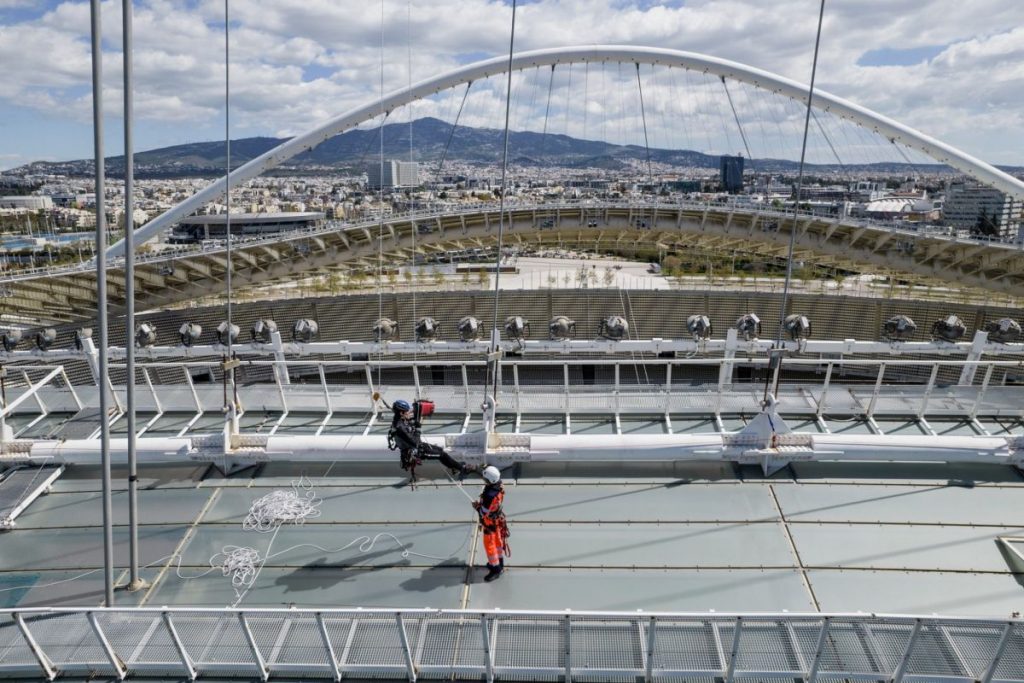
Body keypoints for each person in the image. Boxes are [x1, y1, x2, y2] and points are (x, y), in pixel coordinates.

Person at [388, 399, 475, 480]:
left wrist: (414, 418)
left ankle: (454, 467)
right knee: (441, 455)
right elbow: (415, 443)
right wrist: (418, 429)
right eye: (407, 412)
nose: (408, 413)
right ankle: (463, 469)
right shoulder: (399, 428)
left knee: (440, 450)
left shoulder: (400, 420)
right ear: (401, 413)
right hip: (417, 451)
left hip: (418, 447)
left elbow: (408, 428)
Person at [473, 465, 509, 582]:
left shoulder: (489, 496)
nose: (484, 480)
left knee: (490, 546)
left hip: (489, 523)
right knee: (498, 542)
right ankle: (500, 564)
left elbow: (483, 513)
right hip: (497, 520)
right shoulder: (499, 484)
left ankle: (496, 569)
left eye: (485, 479)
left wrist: (477, 506)